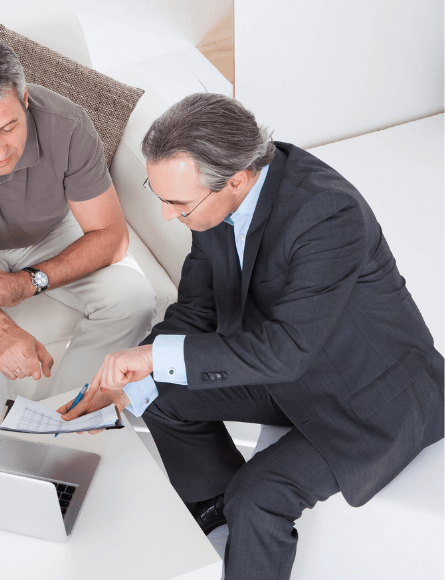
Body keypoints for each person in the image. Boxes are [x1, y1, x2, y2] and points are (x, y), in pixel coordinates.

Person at [60, 93, 444, 580]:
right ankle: (218, 512)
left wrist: (156, 358)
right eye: (158, 195)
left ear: (236, 180)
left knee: (259, 496)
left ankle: (245, 520)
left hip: (371, 394)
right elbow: (198, 306)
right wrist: (144, 362)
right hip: (286, 369)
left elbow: (286, 352)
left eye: (177, 203)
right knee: (154, 393)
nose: (165, 216)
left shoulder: (327, 214)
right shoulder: (218, 197)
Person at [0, 34, 156, 427]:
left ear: (25, 101)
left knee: (134, 298)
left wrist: (25, 283)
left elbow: (111, 235)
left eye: (8, 128)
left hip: (52, 232)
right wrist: (1, 329)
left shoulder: (68, 123)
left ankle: (64, 422)